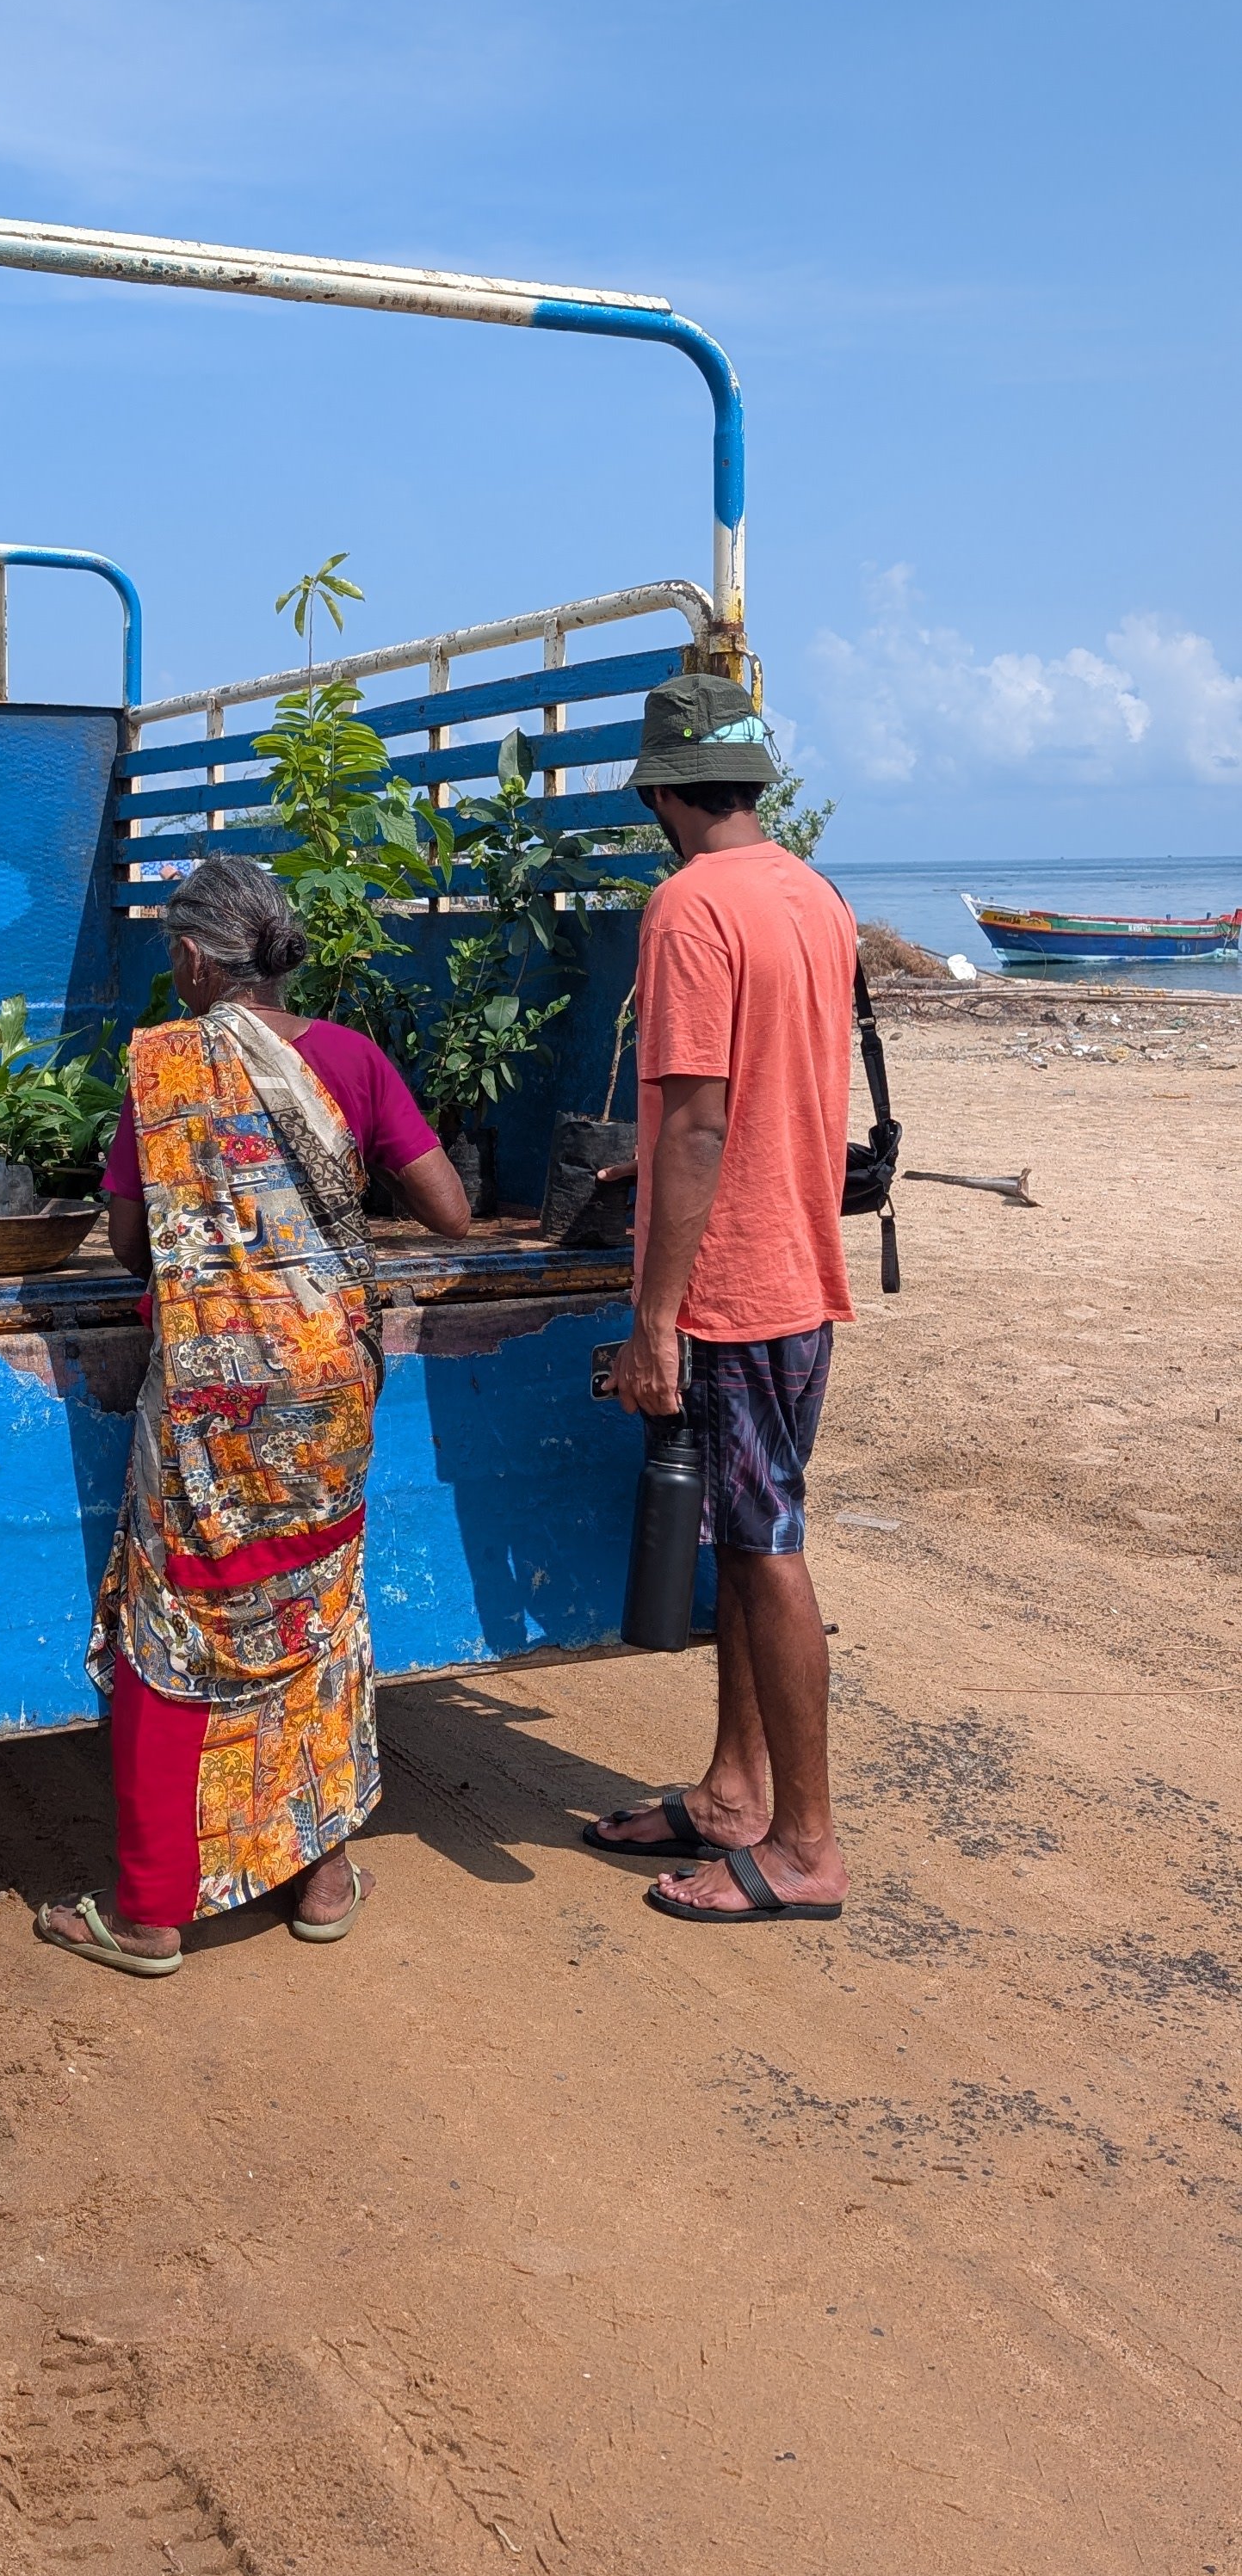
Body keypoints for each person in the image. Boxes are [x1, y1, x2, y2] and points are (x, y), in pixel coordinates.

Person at [38, 858, 471, 1977]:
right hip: (330, 1389)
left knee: (180, 1628)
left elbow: (134, 1247)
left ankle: (148, 1914)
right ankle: (323, 1873)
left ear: (194, 958)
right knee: (319, 1611)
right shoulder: (355, 1060)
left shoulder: (167, 1069)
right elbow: (450, 1210)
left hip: (214, 1399)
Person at [588, 674, 856, 1924]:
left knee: (766, 1553)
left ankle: (805, 1847)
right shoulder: (813, 893)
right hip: (797, 1263)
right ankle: (737, 1793)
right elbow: (765, 1089)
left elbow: (699, 1118)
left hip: (733, 1284)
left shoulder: (689, 906)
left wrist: (654, 1319)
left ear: (660, 792)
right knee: (754, 1544)